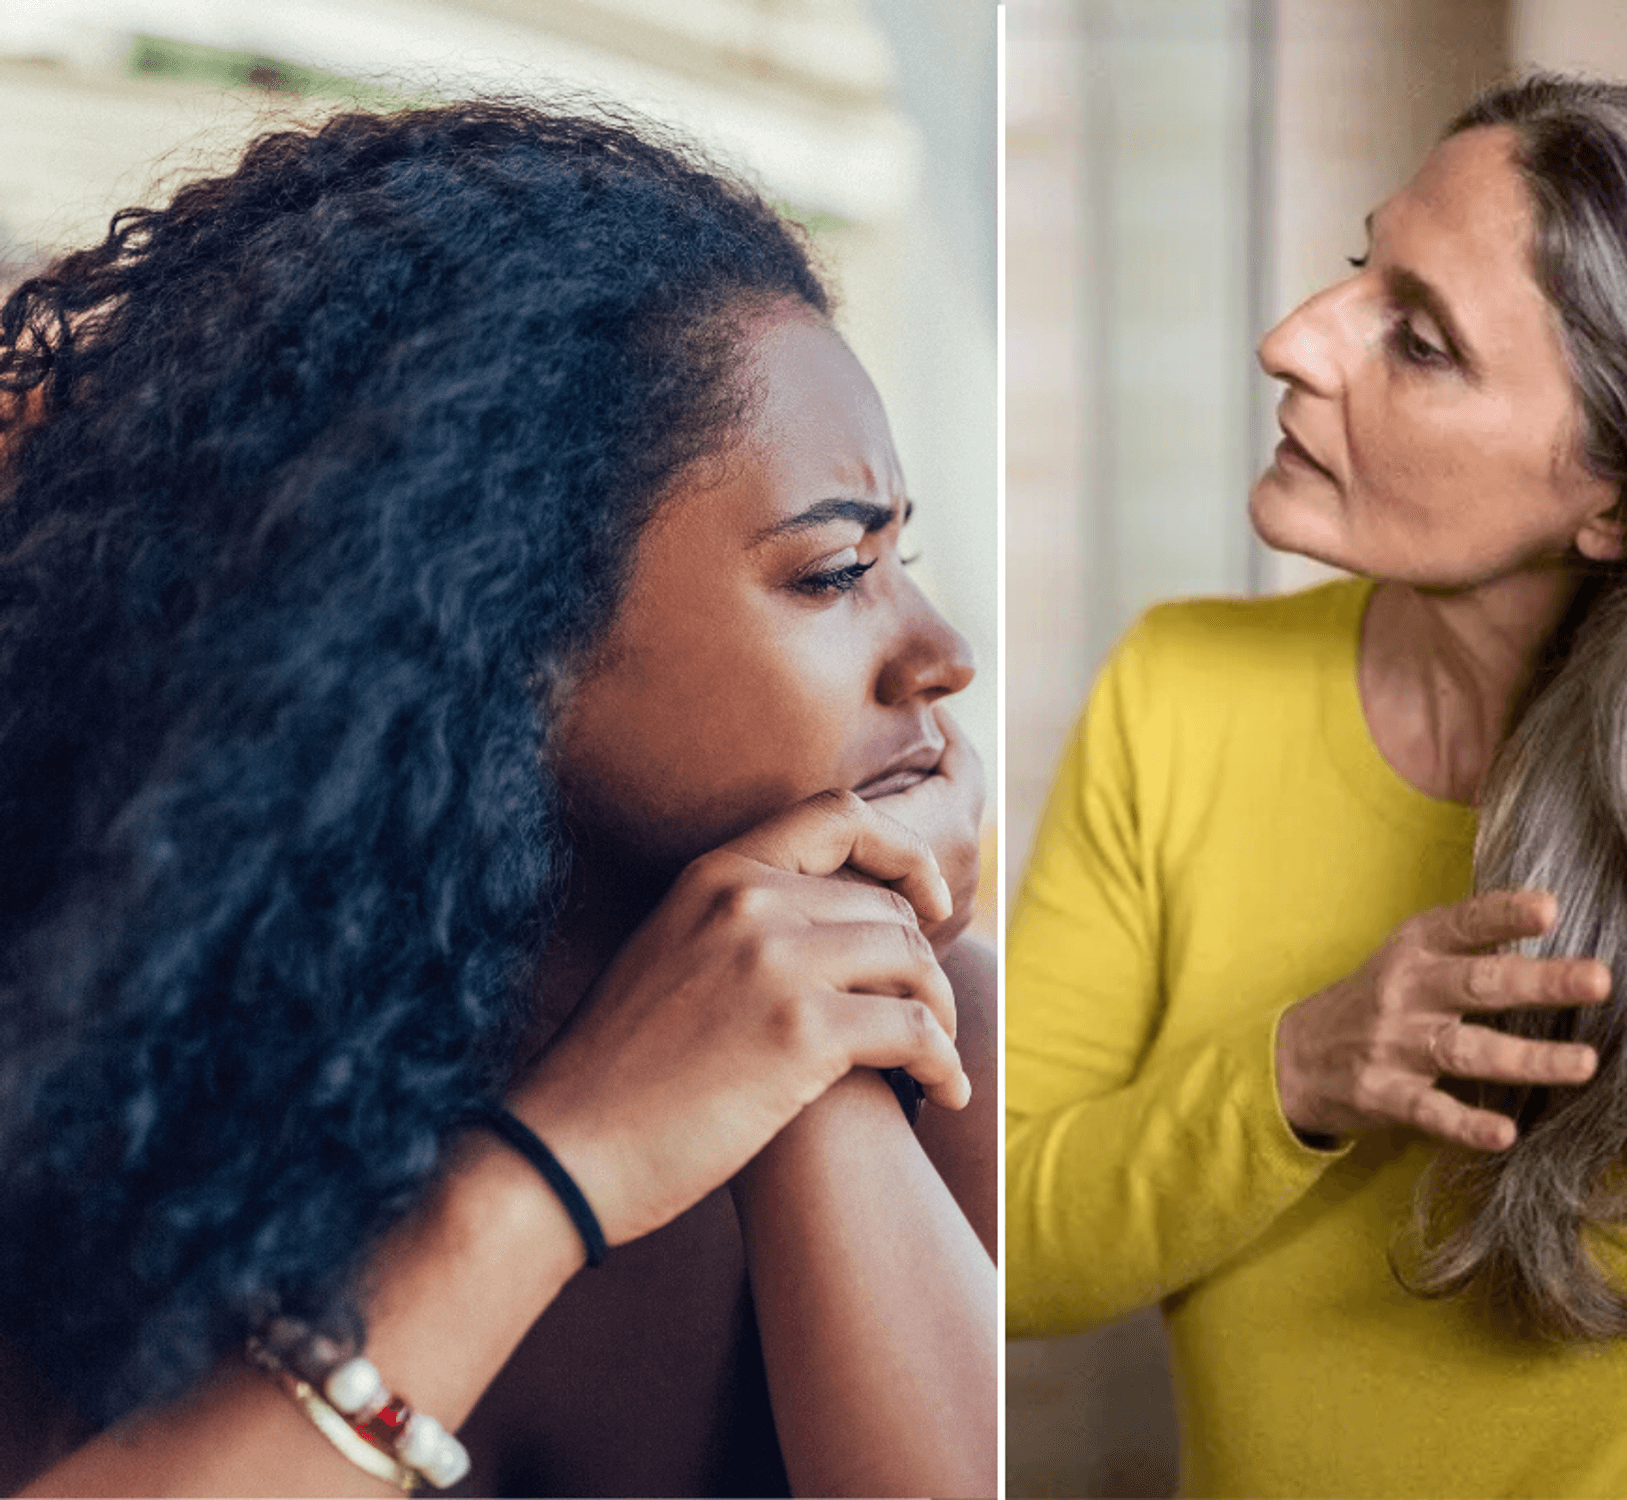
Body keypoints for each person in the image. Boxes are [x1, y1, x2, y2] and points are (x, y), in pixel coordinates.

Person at [1006, 72, 1627, 1497]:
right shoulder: (1178, 695)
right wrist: (1298, 1072)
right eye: (1363, 269)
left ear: (1624, 497)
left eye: (1418, 340)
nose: (1293, 340)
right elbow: (1010, 1250)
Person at [0, 100, 997, 1498]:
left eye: (905, 558)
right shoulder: (110, 1054)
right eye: (836, 576)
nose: (943, 655)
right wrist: (558, 1170)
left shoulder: (947, 1037)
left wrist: (808, 1044)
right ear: (498, 631)